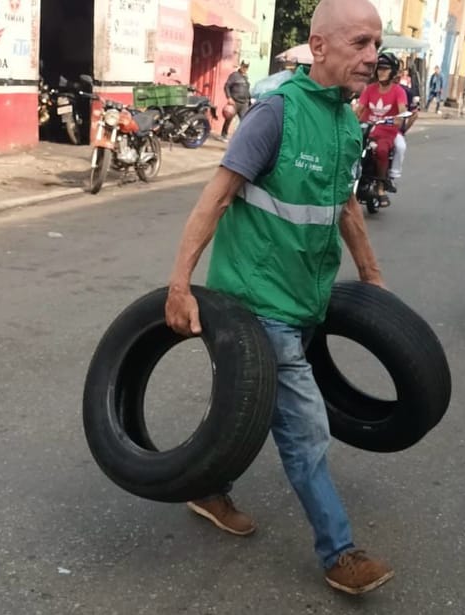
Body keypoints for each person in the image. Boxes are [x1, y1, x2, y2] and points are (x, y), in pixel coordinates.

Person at [164, 0, 395, 595]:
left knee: (253, 406)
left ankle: (209, 487)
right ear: (318, 47)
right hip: (258, 301)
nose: (372, 57)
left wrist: (371, 278)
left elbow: (343, 206)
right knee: (306, 428)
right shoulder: (277, 115)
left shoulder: (345, 121)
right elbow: (215, 198)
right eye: (360, 43)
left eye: (376, 45)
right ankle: (339, 552)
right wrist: (180, 284)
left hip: (305, 299)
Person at [355, 52, 408, 206]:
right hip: (366, 129)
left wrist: (395, 120)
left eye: (385, 69)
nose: (381, 72)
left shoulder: (399, 91)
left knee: (382, 151)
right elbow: (359, 109)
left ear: (392, 71)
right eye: (379, 69)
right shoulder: (369, 89)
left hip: (386, 131)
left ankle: (380, 186)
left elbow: (402, 113)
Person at [222, 60, 251, 141]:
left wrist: (249, 100)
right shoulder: (234, 75)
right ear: (241, 65)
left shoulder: (246, 77)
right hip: (234, 102)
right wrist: (229, 97)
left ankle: (241, 137)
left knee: (245, 120)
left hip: (244, 103)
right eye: (244, 66)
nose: (245, 68)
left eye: (247, 67)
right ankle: (223, 134)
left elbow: (247, 90)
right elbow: (226, 86)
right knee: (229, 118)